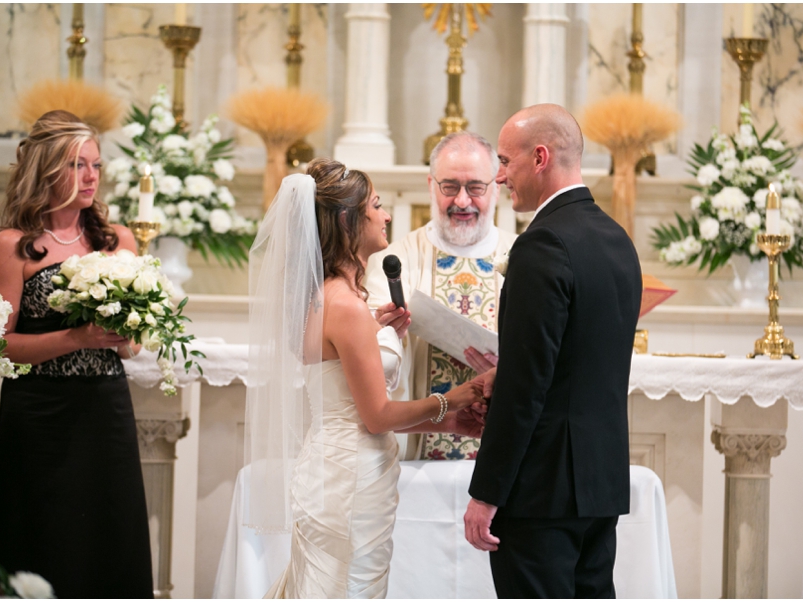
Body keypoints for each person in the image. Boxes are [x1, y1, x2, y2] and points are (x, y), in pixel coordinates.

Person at [247, 158, 485, 598]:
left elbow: (357, 412)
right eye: (376, 205)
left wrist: (446, 422)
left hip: (338, 463)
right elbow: (376, 417)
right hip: (352, 478)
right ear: (346, 220)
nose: (387, 214)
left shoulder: (323, 300)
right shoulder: (344, 306)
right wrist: (456, 396)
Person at [463, 104, 642, 598]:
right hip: (599, 485)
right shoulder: (617, 239)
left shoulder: (543, 245)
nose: (499, 177)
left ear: (539, 157)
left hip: (542, 491)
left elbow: (526, 387)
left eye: (505, 161)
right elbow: (581, 362)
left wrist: (486, 492)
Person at [0, 110, 153, 597]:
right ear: (45, 169)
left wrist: (127, 336)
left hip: (105, 407)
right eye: (77, 164)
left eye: (96, 165)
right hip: (39, 413)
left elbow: (133, 344)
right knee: (42, 538)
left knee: (110, 536)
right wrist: (75, 338)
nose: (90, 177)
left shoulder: (115, 240)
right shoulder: (12, 246)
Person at [365, 131, 516, 460]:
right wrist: (384, 330)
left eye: (475, 187)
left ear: (496, 188)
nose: (462, 201)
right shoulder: (394, 260)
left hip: (506, 453)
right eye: (450, 187)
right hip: (420, 455)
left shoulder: (524, 256)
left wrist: (517, 367)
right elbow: (369, 359)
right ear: (431, 185)